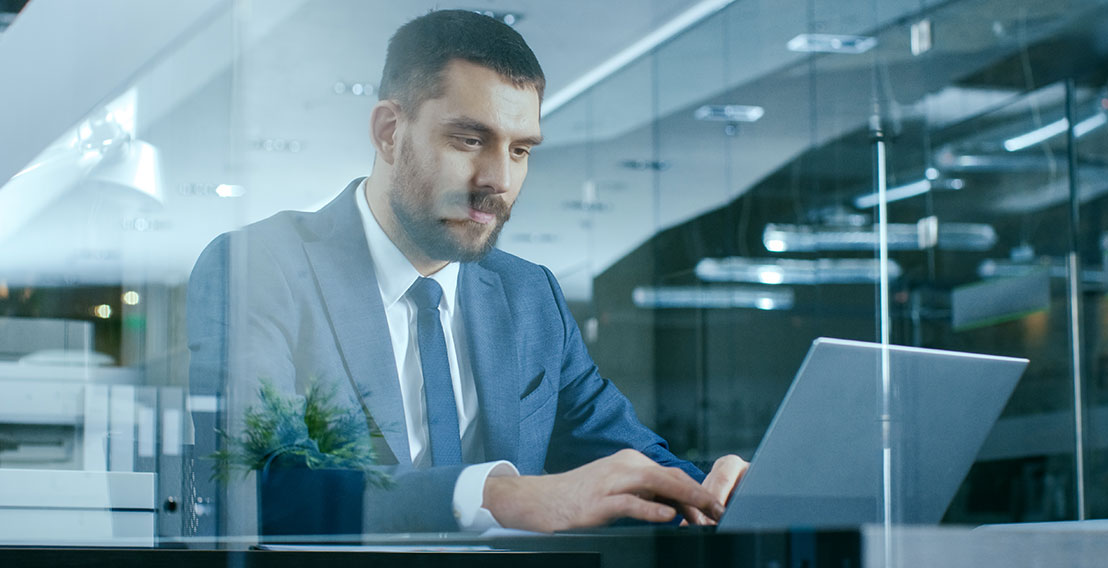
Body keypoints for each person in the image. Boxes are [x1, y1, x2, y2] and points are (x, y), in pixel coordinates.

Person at [187, 9, 748, 534]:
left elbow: (627, 461)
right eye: (470, 140)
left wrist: (722, 490)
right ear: (388, 132)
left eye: (521, 149)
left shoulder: (531, 296)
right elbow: (262, 485)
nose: (499, 179)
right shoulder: (260, 270)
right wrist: (501, 496)